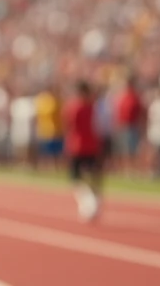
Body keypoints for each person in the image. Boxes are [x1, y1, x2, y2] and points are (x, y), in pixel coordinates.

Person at [63, 81, 103, 223]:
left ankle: (88, 202)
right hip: (92, 144)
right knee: (93, 176)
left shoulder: (75, 106)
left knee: (75, 178)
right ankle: (94, 201)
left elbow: (69, 125)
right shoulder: (92, 106)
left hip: (77, 145)